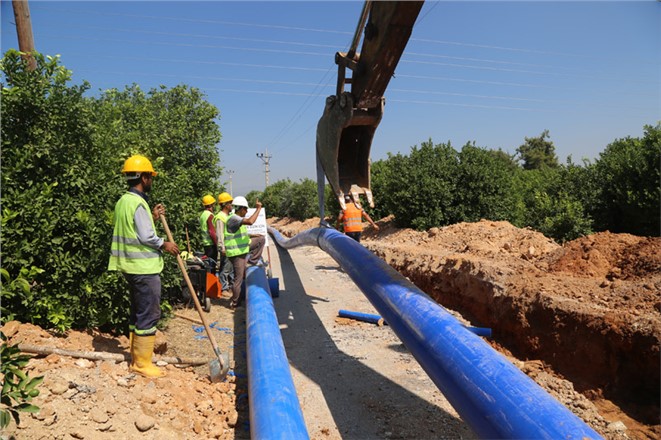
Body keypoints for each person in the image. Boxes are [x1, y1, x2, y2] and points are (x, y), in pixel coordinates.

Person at [108, 154, 179, 378]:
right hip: (144, 269)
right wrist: (164, 244)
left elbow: (134, 230)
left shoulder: (124, 201)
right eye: (151, 177)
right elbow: (147, 237)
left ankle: (135, 357)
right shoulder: (138, 203)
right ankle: (142, 364)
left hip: (130, 267)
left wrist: (153, 216)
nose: (151, 181)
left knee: (137, 313)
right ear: (144, 177)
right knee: (149, 313)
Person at [224, 196, 265, 309]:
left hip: (242, 249)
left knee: (260, 239)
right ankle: (235, 303)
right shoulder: (234, 218)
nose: (246, 212)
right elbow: (251, 222)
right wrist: (258, 209)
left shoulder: (236, 219)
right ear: (240, 208)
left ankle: (252, 261)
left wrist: (253, 235)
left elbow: (240, 234)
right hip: (237, 253)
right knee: (238, 278)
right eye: (245, 209)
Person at [214, 192, 235, 292]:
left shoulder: (228, 216)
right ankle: (224, 288)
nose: (232, 205)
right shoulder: (220, 217)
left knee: (230, 268)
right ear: (226, 205)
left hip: (230, 247)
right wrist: (222, 248)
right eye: (230, 203)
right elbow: (219, 234)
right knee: (225, 269)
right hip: (226, 248)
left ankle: (229, 286)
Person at [199, 194, 217, 261]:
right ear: (211, 205)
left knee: (208, 264)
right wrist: (217, 244)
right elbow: (211, 232)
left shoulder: (203, 215)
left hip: (206, 244)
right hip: (211, 244)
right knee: (212, 265)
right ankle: (211, 272)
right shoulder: (210, 215)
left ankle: (209, 272)